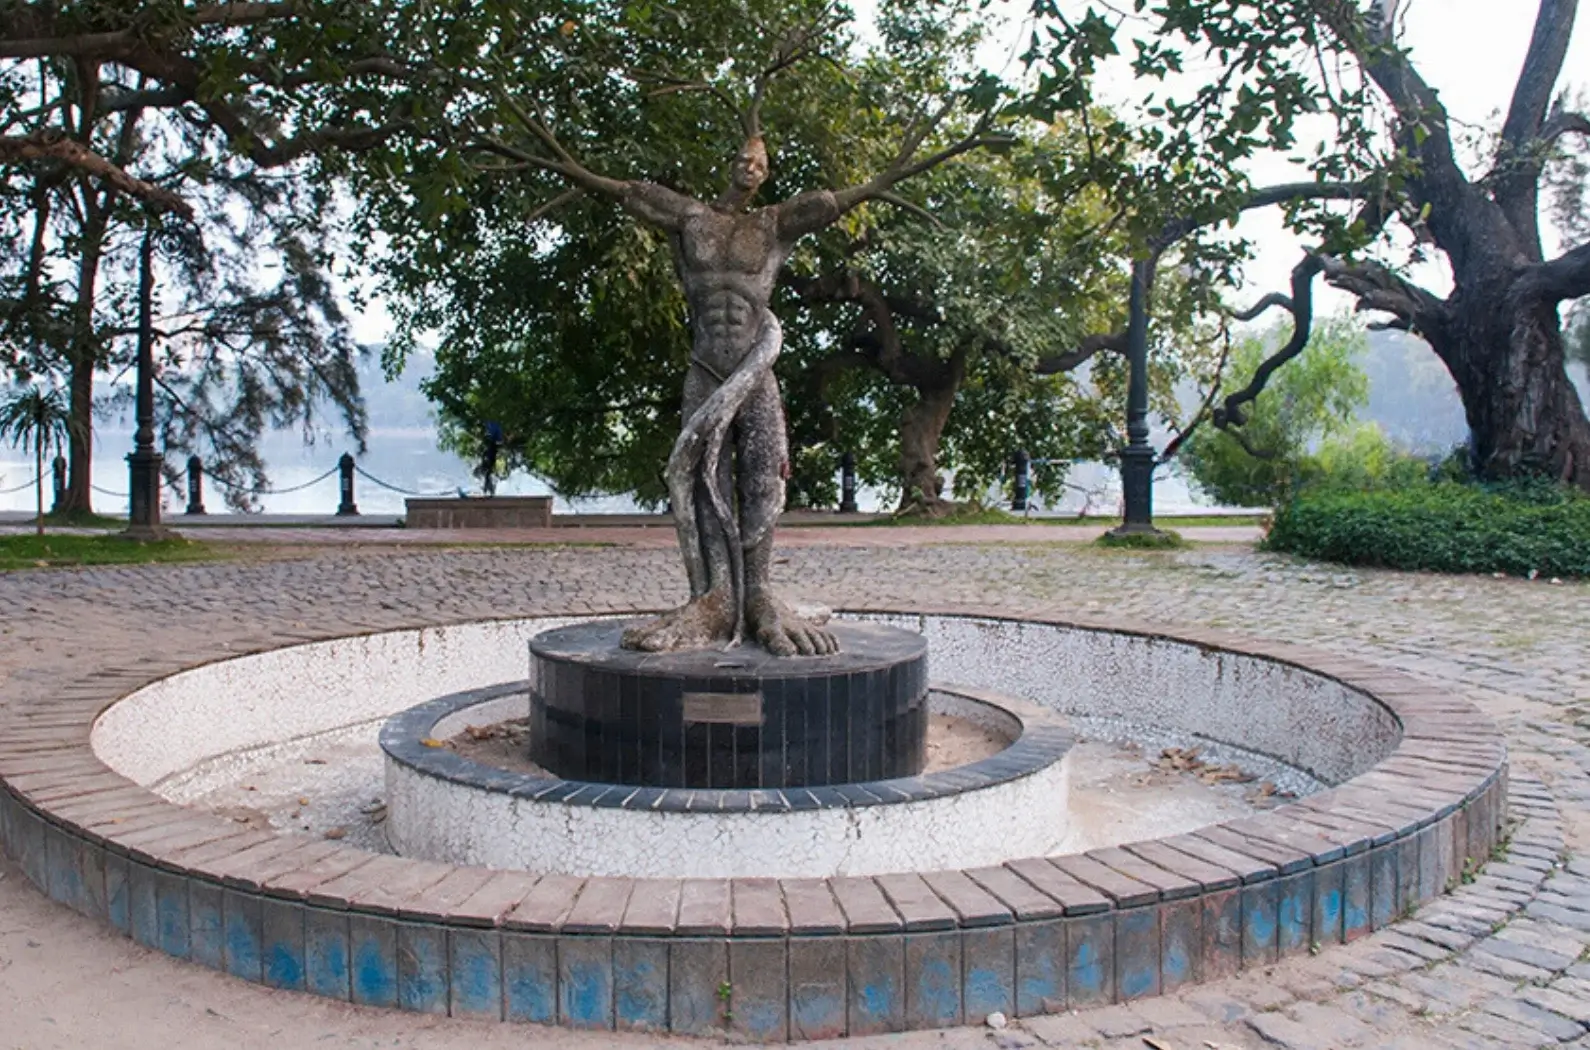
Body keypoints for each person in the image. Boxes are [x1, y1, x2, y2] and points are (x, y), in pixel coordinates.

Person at [552, 135, 916, 655]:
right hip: (705, 369)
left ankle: (760, 595)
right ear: (731, 163)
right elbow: (636, 194)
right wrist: (576, 171)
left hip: (754, 366)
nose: (749, 168)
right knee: (703, 477)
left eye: (760, 163)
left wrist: (882, 181)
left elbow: (824, 205)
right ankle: (717, 596)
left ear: (766, 172)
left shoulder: (771, 224)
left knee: (764, 479)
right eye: (743, 159)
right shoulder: (694, 219)